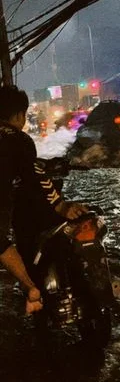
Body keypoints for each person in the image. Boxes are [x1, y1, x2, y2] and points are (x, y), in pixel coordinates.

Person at [0, 85, 87, 314]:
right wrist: (60, 204)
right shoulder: (17, 139)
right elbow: (34, 174)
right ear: (19, 115)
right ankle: (32, 288)